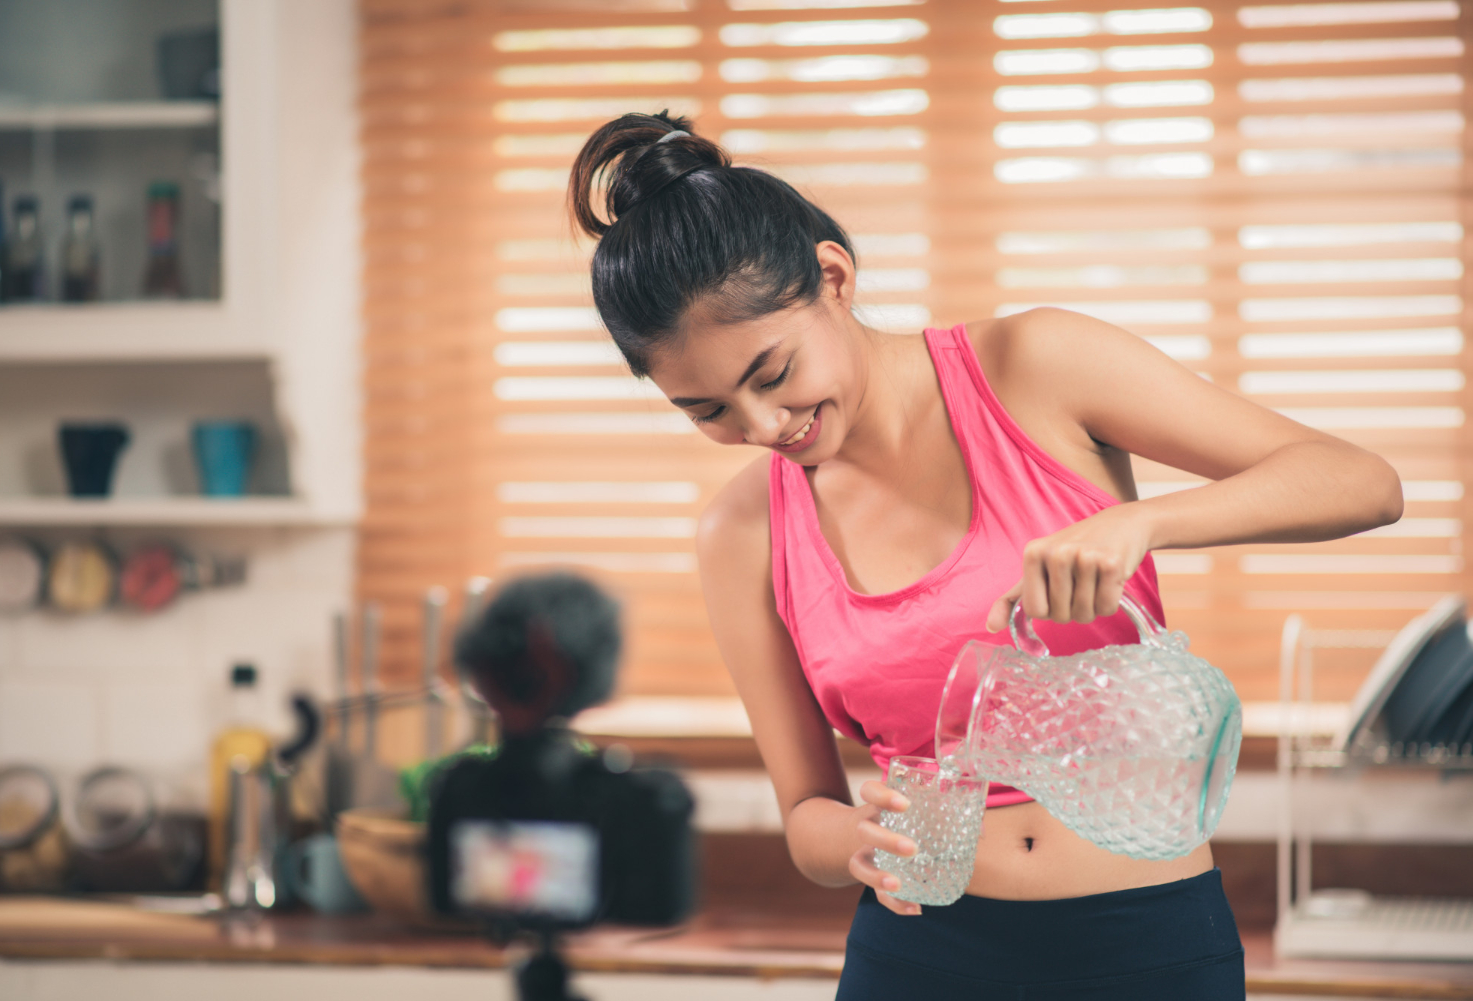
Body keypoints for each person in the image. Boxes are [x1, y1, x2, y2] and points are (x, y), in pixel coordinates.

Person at [566, 112, 1403, 999]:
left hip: (1149, 941)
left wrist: (1141, 524)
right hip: (919, 955)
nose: (764, 425)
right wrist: (853, 840)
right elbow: (807, 811)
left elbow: (1362, 483)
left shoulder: (1038, 365)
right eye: (708, 411)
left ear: (833, 278)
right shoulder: (741, 533)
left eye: (772, 374)